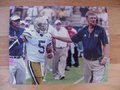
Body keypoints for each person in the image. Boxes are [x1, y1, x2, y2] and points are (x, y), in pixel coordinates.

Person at [52, 11, 110, 83]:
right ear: (86, 19)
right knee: (87, 82)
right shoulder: (83, 30)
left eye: (95, 18)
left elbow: (106, 44)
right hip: (87, 61)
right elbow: (70, 39)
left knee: (96, 82)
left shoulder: (101, 30)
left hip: (98, 61)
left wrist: (105, 57)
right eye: (91, 18)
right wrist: (55, 37)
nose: (93, 20)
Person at [22, 16, 53, 85]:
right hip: (33, 61)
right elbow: (22, 38)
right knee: (40, 83)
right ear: (36, 26)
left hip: (41, 62)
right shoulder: (30, 33)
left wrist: (50, 52)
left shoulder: (47, 35)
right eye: (41, 25)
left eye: (44, 25)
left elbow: (48, 47)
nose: (43, 27)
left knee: (35, 83)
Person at [9, 15, 26, 84]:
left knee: (21, 81)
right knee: (8, 80)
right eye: (15, 21)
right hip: (10, 58)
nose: (18, 22)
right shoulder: (6, 30)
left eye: (18, 20)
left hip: (20, 58)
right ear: (11, 22)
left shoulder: (23, 30)